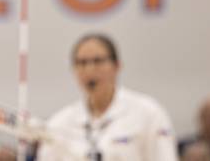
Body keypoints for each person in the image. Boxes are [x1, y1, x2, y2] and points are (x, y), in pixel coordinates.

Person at [36, 33, 177, 161]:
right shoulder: (59, 123)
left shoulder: (148, 113)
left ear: (117, 66)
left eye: (98, 61)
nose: (89, 70)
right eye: (82, 63)